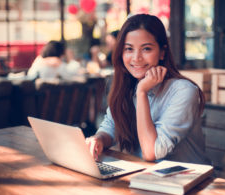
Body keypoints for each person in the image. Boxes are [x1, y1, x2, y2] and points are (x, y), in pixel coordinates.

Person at [86, 14, 210, 164]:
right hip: (143, 177)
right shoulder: (126, 86)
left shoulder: (183, 91)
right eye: (129, 49)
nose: (136, 58)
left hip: (188, 182)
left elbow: (151, 152)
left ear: (162, 52)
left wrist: (142, 92)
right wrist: (98, 139)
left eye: (146, 49)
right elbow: (111, 127)